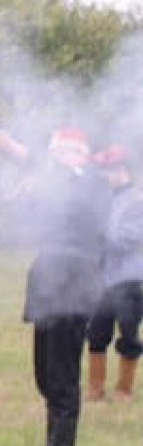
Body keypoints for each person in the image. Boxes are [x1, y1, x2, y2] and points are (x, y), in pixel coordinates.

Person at [0, 127, 111, 446]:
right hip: (48, 280)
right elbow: (26, 223)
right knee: (45, 373)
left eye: (59, 151)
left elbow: (73, 200)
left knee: (63, 373)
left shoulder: (92, 182)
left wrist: (21, 153)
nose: (55, 158)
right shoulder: (52, 184)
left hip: (73, 282)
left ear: (78, 152)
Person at [86, 144, 142, 402]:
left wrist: (99, 231)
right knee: (96, 333)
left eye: (106, 170)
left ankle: (124, 389)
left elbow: (128, 240)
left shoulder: (138, 201)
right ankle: (95, 389)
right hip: (103, 278)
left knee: (128, 334)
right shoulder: (106, 199)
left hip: (130, 279)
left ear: (120, 170)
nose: (103, 175)